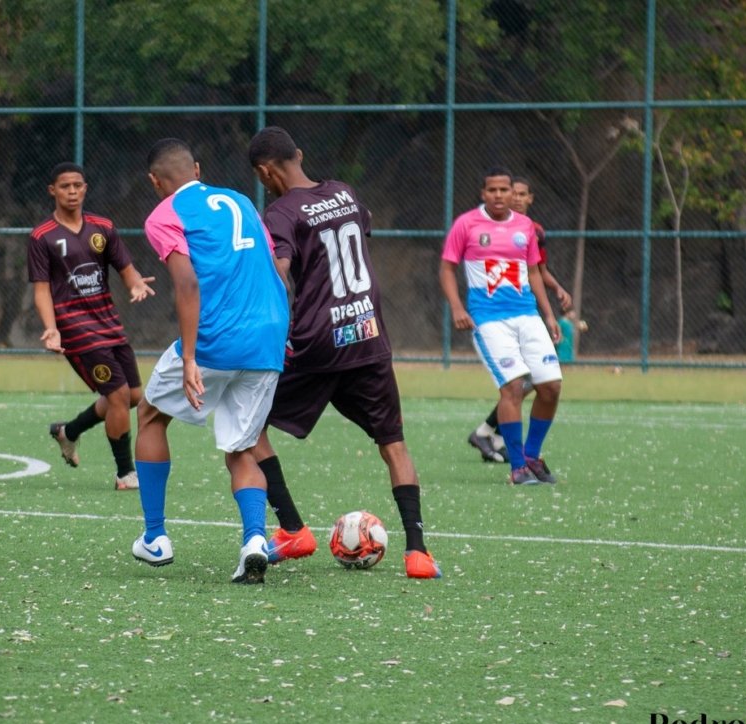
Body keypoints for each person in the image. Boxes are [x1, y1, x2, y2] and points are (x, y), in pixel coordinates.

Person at [245, 126, 441, 579]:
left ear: (264, 171)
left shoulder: (280, 211)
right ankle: (418, 554)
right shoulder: (345, 192)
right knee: (393, 444)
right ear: (300, 153)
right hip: (369, 337)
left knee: (247, 425)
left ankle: (293, 529)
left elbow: (278, 270)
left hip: (317, 343)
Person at [130, 138, 290, 585]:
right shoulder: (241, 199)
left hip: (217, 339)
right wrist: (280, 331)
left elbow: (187, 284)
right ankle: (255, 540)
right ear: (197, 168)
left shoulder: (163, 215)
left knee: (149, 415)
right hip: (268, 336)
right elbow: (275, 268)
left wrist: (189, 358)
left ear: (155, 181)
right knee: (241, 447)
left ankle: (156, 538)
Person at [28, 162, 156, 491]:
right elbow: (41, 288)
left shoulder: (103, 228)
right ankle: (125, 474)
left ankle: (68, 432)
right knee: (116, 395)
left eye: (77, 185)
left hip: (107, 321)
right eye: (65, 186)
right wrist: (51, 328)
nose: (72, 191)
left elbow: (125, 267)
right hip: (75, 328)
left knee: (132, 396)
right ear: (52, 191)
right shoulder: (42, 237)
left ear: (85, 188)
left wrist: (136, 285)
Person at [440, 166, 563, 485]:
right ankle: (518, 467)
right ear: (483, 193)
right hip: (489, 320)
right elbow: (447, 269)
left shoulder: (525, 226)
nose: (498, 195)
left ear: (513, 192)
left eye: (504, 190)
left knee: (550, 387)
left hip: (527, 316)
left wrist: (548, 315)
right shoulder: (466, 224)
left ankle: (533, 457)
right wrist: (456, 307)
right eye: (492, 190)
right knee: (512, 388)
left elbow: (534, 272)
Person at [466, 176, 572, 463]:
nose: (516, 198)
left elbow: (536, 269)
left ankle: (490, 432)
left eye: (522, 194)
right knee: (518, 384)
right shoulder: (483, 227)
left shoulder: (532, 230)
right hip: (497, 316)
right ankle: (502, 443)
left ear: (530, 198)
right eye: (514, 193)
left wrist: (555, 291)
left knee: (538, 382)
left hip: (526, 314)